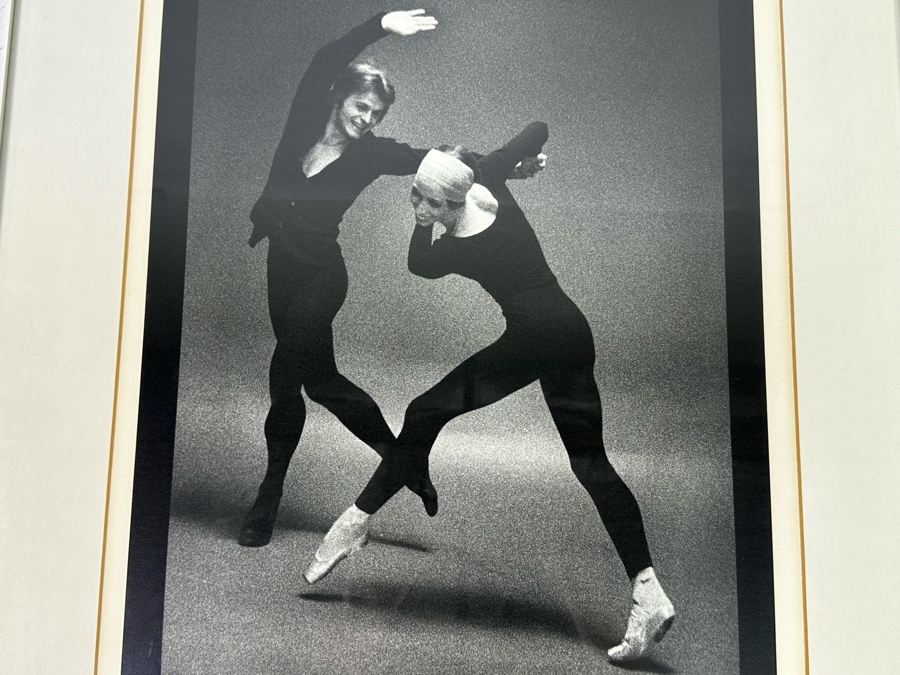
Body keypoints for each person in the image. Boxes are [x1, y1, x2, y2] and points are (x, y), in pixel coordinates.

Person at [302, 122, 676, 663]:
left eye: (431, 202)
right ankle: (649, 592)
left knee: (425, 410)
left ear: (453, 201)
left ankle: (355, 522)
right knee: (589, 464)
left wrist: (423, 221)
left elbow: (418, 265)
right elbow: (537, 130)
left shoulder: (457, 249)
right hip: (570, 331)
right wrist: (523, 161)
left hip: (536, 341)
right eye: (414, 195)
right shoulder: (490, 179)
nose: (420, 205)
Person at [240, 11, 543, 547]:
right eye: (362, 106)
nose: (366, 119)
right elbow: (323, 59)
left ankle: (269, 497)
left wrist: (509, 167)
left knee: (295, 380)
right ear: (338, 97)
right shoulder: (305, 120)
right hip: (280, 273)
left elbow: (446, 161)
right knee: (308, 382)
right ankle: (405, 461)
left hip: (321, 279)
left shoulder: (372, 153)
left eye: (376, 113)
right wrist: (380, 23)